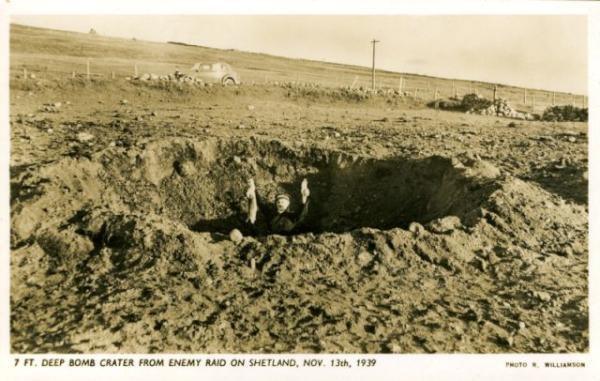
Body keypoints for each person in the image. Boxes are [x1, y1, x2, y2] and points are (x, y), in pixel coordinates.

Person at [245, 178, 310, 235]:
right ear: (275, 204)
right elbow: (260, 203)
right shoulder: (270, 214)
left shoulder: (292, 216)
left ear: (288, 204)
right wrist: (253, 188)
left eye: (283, 202)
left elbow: (302, 212)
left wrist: (304, 197)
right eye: (278, 202)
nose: (280, 204)